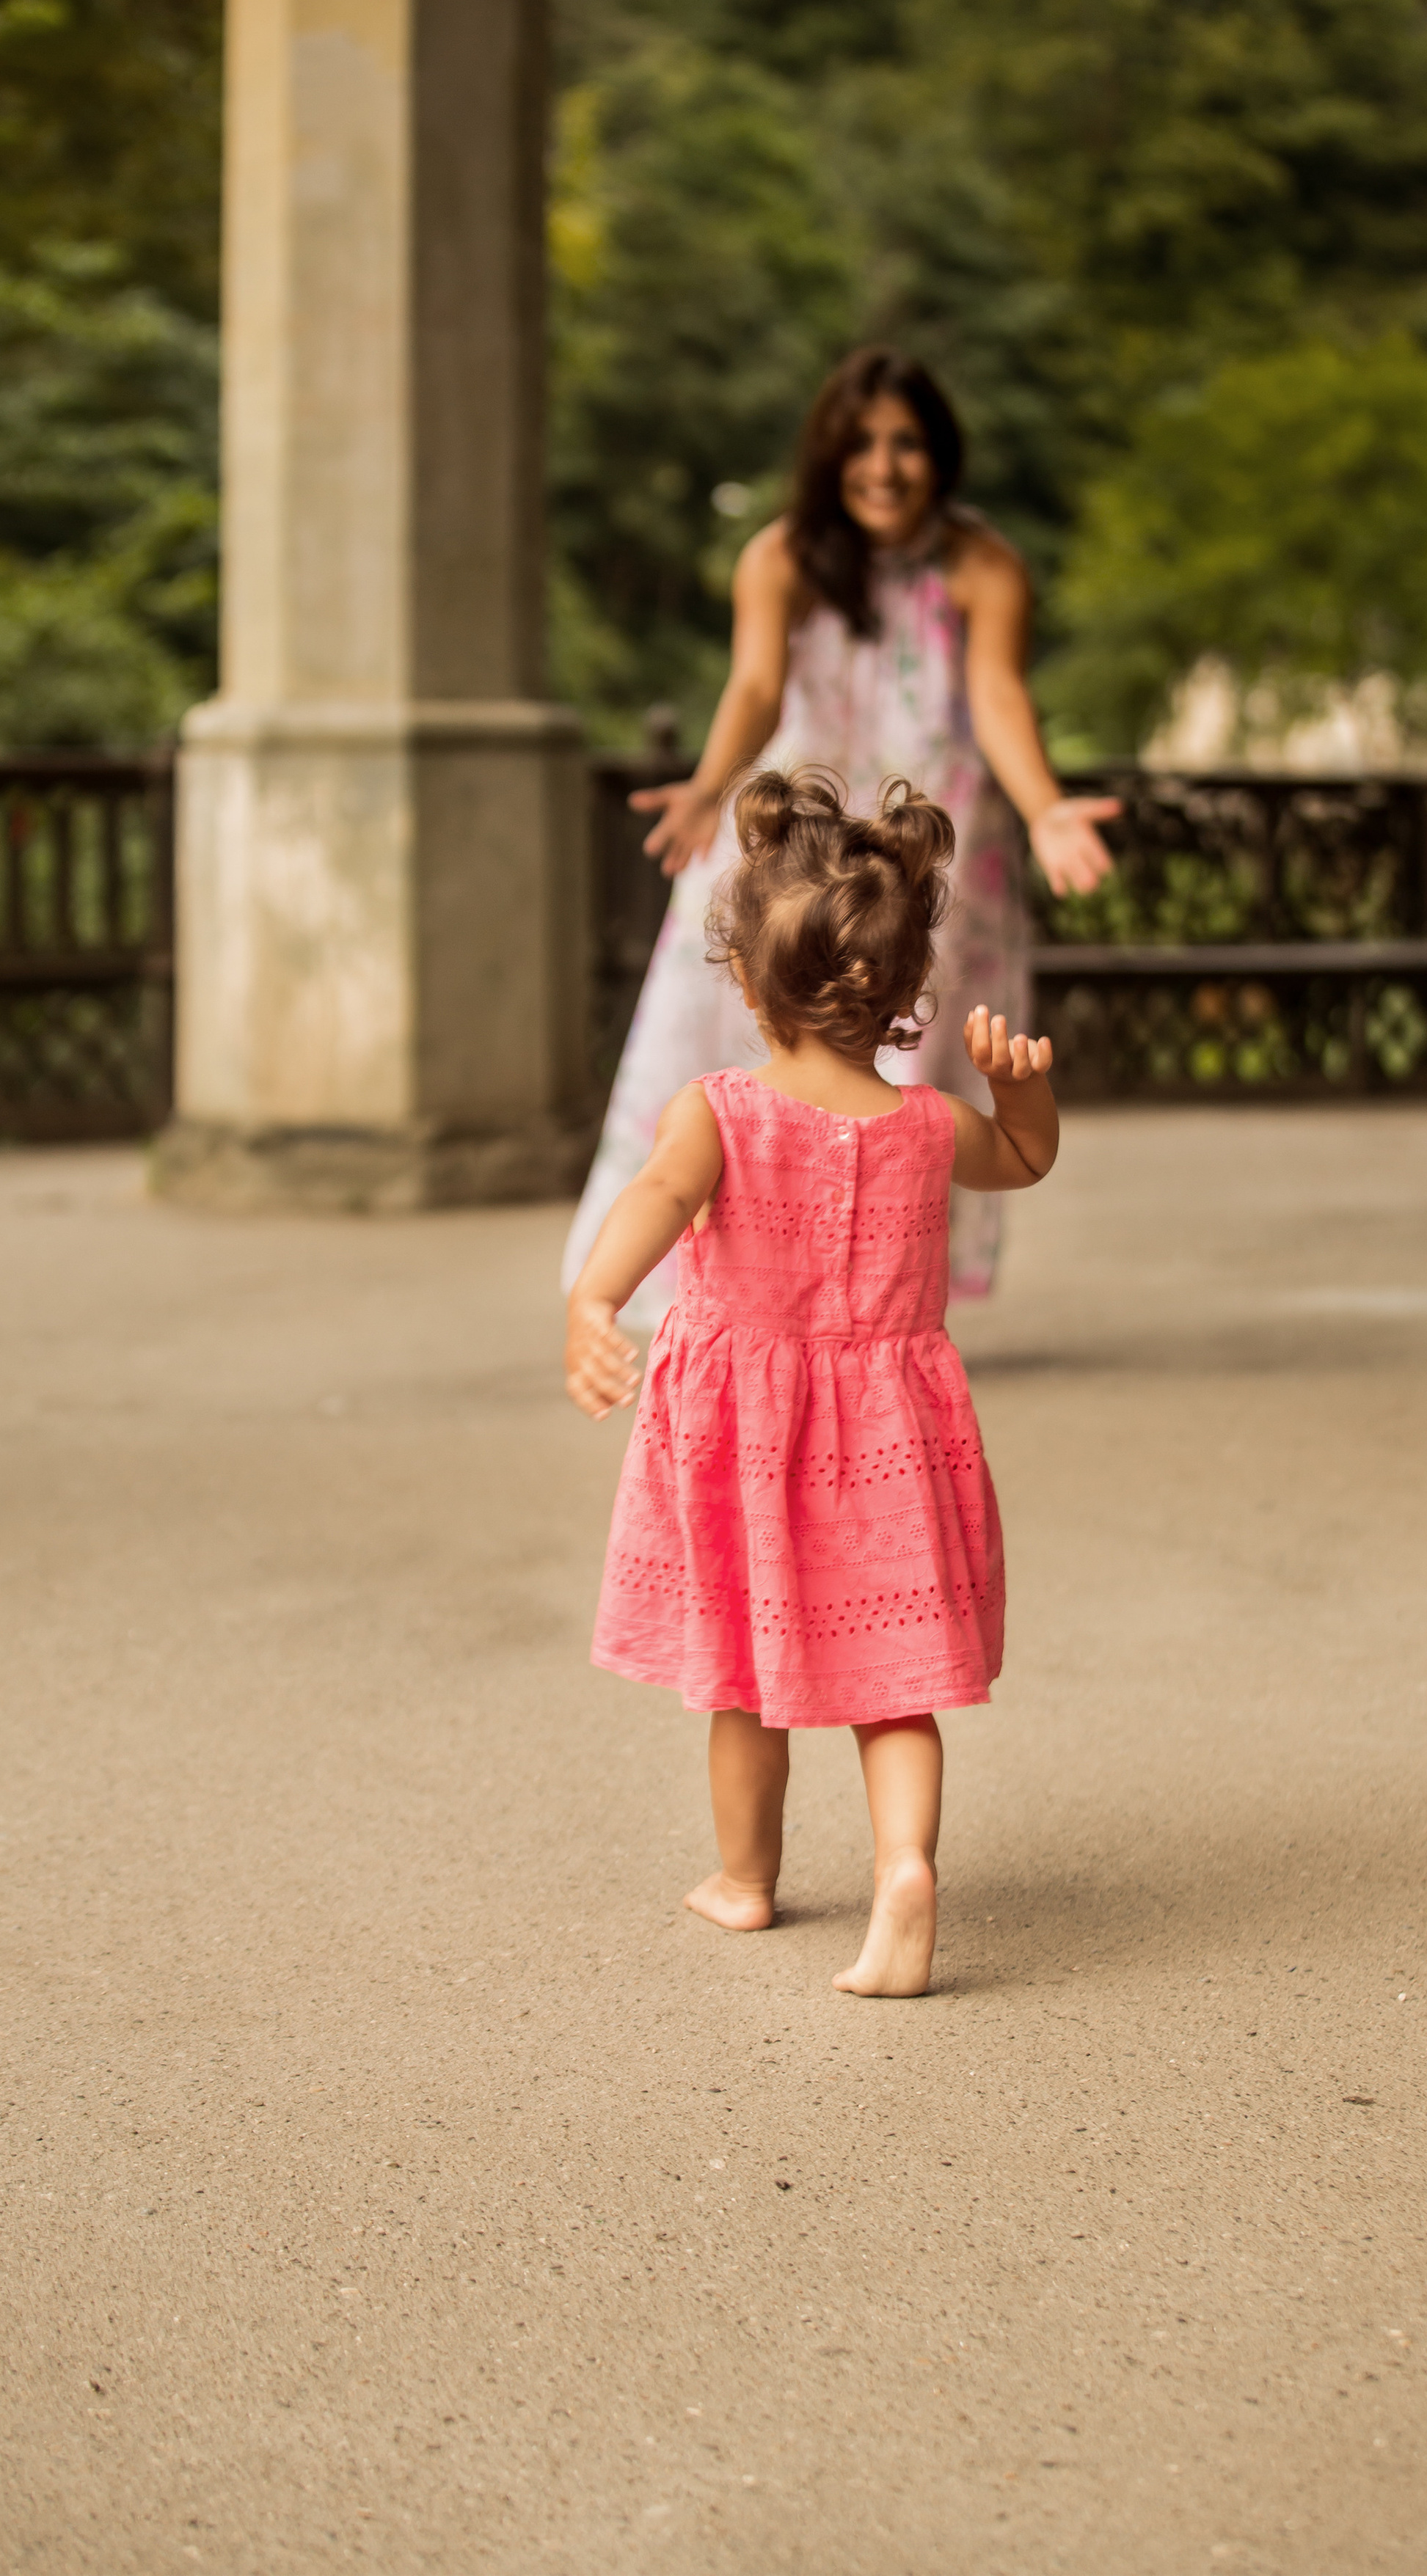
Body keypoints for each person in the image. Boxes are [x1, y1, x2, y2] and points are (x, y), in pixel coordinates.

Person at [564, 768, 1062, 1999]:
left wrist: (592, 1302)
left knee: (747, 1677)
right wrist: (1028, 1095)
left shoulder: (719, 1114)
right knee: (896, 1685)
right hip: (892, 1440)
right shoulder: (935, 1126)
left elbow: (651, 1204)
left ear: (744, 975)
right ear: (901, 995)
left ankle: (746, 1882)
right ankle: (905, 1868)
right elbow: (1027, 1160)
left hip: (748, 1445)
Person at [561, 345, 1116, 1326]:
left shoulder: (981, 565)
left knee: (899, 1066)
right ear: (828, 455)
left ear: (939, 456)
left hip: (910, 852)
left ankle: (864, 1299)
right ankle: (650, 1287)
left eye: (906, 444)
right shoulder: (781, 558)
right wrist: (704, 787)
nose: (884, 467)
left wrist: (1044, 807)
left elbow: (996, 696)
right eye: (860, 444)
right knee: (729, 1055)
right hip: (793, 843)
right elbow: (757, 687)